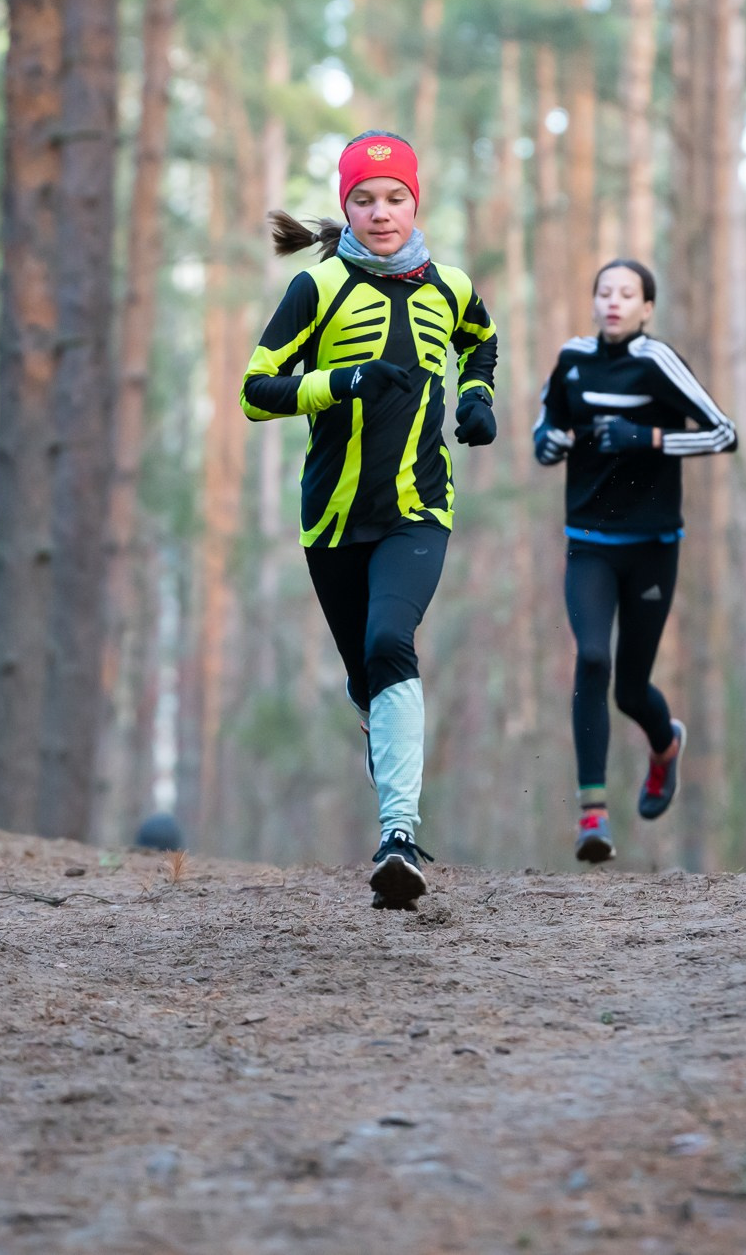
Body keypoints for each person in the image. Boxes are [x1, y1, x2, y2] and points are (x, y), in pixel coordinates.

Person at [243, 131, 498, 909]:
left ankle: (398, 836)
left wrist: (480, 399)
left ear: (415, 202)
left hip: (420, 511)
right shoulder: (317, 291)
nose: (381, 212)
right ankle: (387, 764)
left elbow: (480, 342)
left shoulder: (450, 285)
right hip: (333, 520)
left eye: (394, 198)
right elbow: (259, 391)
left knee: (392, 642)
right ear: (345, 206)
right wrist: (342, 381)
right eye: (364, 199)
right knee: (366, 678)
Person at [534, 259, 737, 863]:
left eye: (628, 294)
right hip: (589, 543)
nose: (614, 302)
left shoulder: (657, 361)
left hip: (652, 549)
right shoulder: (573, 358)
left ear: (647, 307)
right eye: (605, 292)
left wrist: (648, 439)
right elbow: (549, 424)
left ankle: (665, 744)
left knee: (629, 690)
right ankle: (592, 815)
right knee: (592, 659)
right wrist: (547, 443)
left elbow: (722, 433)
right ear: (593, 302)